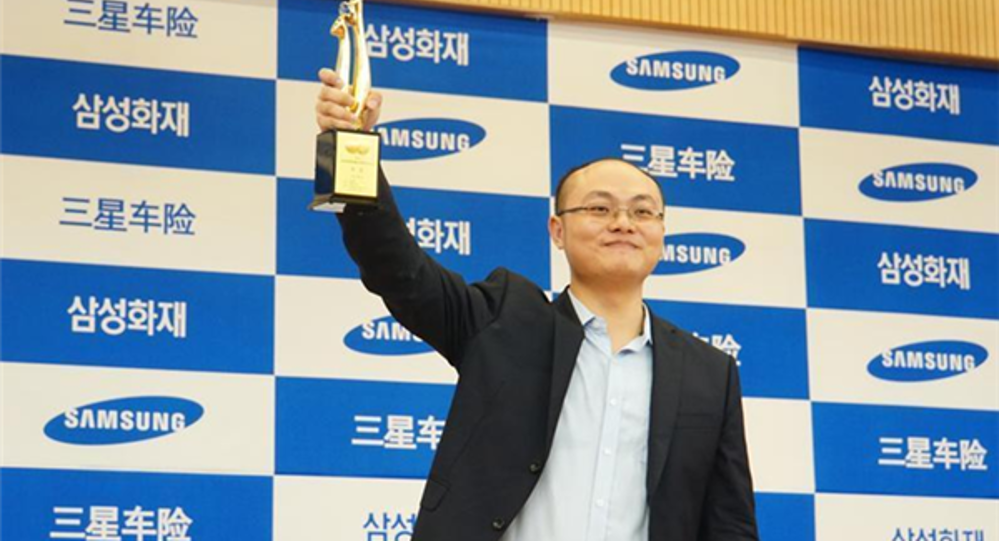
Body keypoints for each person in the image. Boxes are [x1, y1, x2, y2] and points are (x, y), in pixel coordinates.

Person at [315, 68, 759, 541]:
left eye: (643, 211)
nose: (623, 222)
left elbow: (729, 523)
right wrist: (351, 149)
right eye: (600, 208)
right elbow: (395, 267)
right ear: (558, 231)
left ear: (662, 233)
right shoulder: (504, 320)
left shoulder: (709, 372)